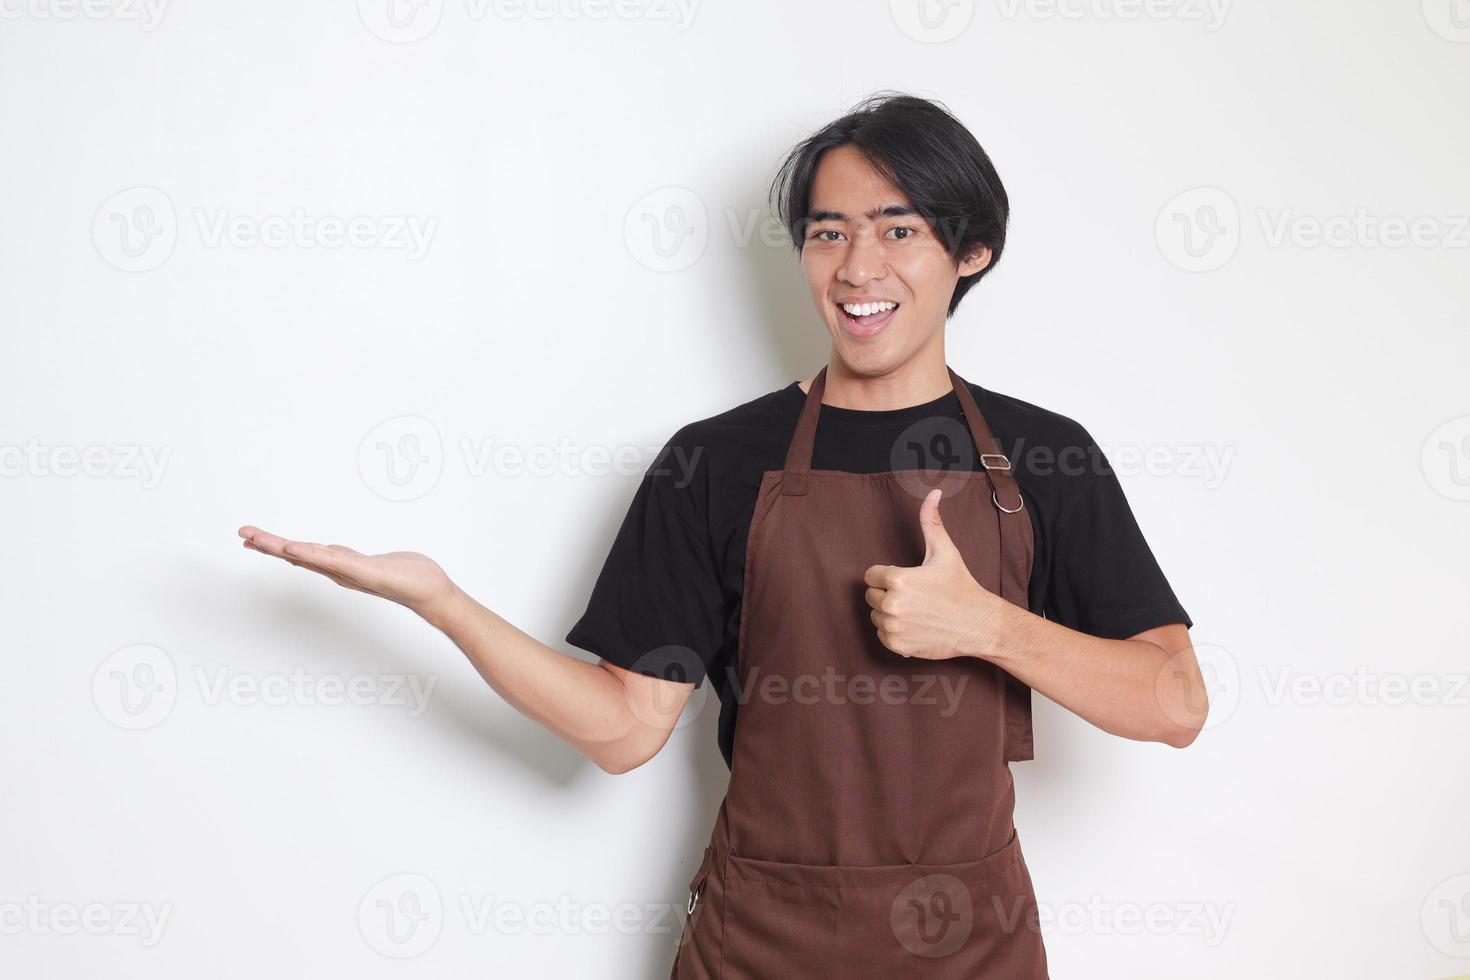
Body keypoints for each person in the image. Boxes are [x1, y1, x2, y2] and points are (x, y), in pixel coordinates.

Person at [239, 91, 1206, 978]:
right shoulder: (717, 460)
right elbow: (624, 728)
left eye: (898, 229)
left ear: (972, 250)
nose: (858, 267)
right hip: (761, 940)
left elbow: (1174, 702)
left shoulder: (1044, 458)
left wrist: (986, 625)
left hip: (973, 945)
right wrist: (441, 602)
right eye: (828, 233)